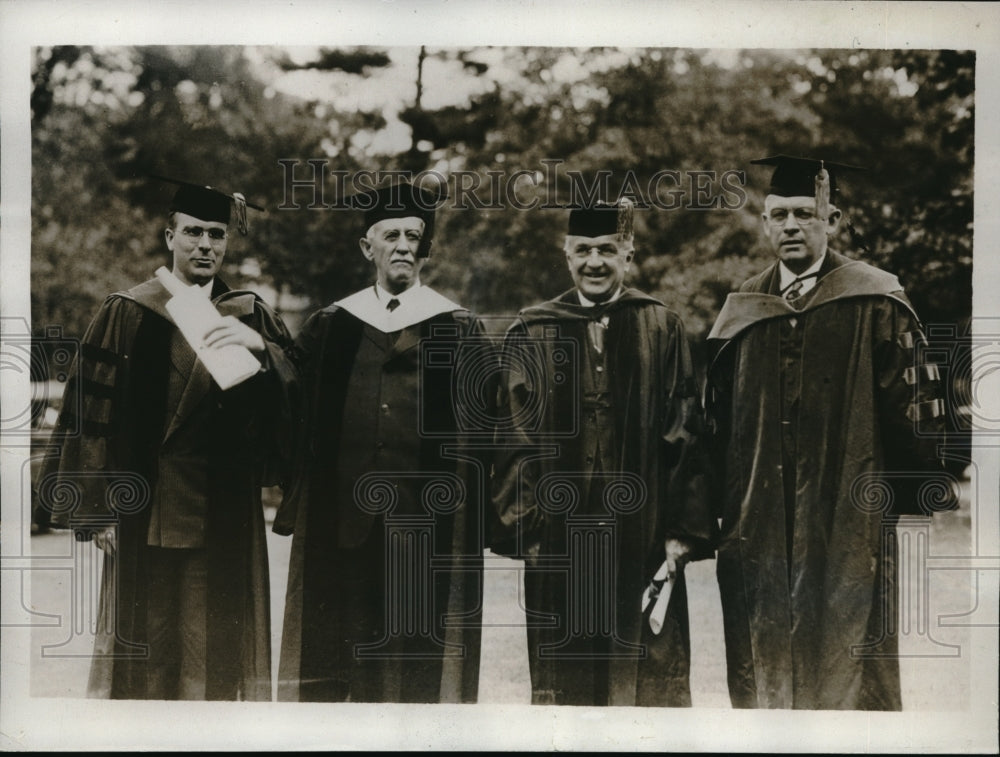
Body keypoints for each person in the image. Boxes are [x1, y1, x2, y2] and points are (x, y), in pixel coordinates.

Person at [35, 178, 296, 700]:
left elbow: (295, 405)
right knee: (146, 653)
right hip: (142, 509)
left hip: (222, 511)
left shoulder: (249, 314)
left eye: (217, 234)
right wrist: (98, 509)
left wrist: (265, 352)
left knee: (212, 651)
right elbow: (90, 415)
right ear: (169, 237)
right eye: (194, 232)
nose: (206, 245)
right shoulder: (127, 312)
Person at [705, 155, 950, 710]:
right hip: (760, 520)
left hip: (848, 512)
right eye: (778, 215)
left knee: (850, 646)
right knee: (763, 649)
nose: (790, 225)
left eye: (803, 213)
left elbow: (913, 411)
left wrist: (905, 494)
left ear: (832, 219)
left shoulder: (874, 299)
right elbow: (714, 426)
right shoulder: (743, 309)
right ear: (765, 223)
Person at [492, 198, 716, 706]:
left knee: (645, 675)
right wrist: (524, 526)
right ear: (566, 255)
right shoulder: (533, 330)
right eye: (584, 250)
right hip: (558, 536)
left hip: (642, 534)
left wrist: (682, 533)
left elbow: (684, 430)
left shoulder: (661, 326)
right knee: (564, 674)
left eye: (607, 250)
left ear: (628, 255)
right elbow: (513, 436)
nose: (595, 261)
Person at [274, 181, 487, 703]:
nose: (404, 246)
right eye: (391, 234)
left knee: (416, 664)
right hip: (343, 525)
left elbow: (488, 429)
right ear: (366, 247)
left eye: (414, 236)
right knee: (342, 659)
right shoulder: (330, 326)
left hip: (425, 527)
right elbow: (288, 405)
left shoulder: (459, 328)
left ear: (426, 249)